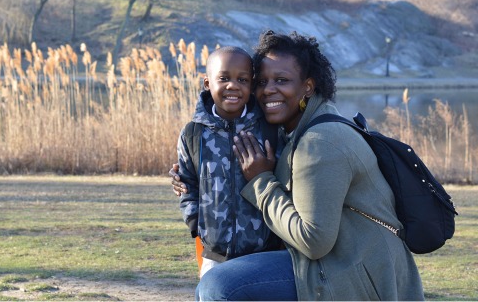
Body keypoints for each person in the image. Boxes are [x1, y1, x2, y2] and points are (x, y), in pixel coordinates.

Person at [173, 30, 424, 301]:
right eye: (262, 81)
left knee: (219, 286)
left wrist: (261, 181)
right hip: (338, 262)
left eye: (281, 80)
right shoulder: (293, 130)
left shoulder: (321, 141)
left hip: (355, 275)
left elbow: (313, 241)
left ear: (307, 86)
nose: (268, 90)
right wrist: (193, 179)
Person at [176, 46, 280, 278]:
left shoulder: (269, 130)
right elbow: (186, 183)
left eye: (242, 79)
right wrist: (196, 223)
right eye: (223, 78)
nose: (233, 85)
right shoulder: (193, 134)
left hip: (263, 253)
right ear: (207, 84)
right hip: (214, 256)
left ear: (251, 86)